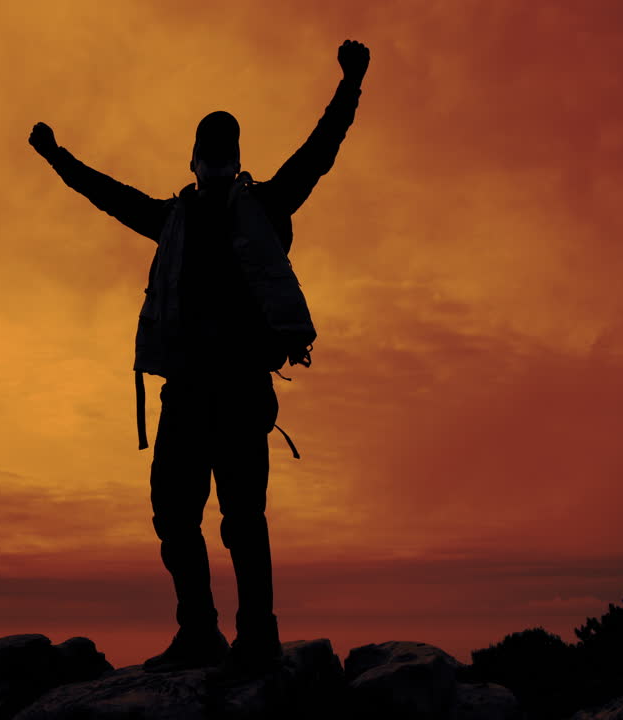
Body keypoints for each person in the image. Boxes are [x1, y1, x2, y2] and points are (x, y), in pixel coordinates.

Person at [28, 39, 369, 682]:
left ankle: (259, 639)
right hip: (185, 395)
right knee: (173, 514)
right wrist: (57, 158)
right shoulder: (172, 218)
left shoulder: (267, 205)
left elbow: (321, 151)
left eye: (224, 153)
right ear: (194, 160)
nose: (215, 162)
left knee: (242, 519)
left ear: (235, 160)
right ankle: (199, 633)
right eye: (208, 153)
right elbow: (108, 194)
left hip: (240, 393)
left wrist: (351, 84)